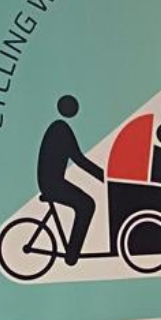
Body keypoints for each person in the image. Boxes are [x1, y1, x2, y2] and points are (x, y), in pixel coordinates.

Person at [36, 94, 108, 265]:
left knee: (85, 203)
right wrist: (105, 177)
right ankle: (72, 255)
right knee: (87, 205)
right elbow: (79, 159)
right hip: (52, 184)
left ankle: (72, 251)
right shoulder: (61, 129)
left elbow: (78, 158)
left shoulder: (58, 127)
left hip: (51, 181)